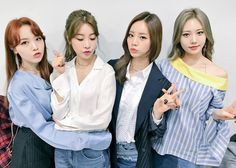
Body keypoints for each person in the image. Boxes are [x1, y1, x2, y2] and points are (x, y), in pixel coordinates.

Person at [5, 17, 113, 168]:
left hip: (56, 145)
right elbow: (42, 127)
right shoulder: (17, 86)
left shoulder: (50, 70)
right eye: (25, 42)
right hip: (32, 149)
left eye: (38, 39)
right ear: (14, 48)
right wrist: (92, 140)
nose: (35, 47)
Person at [153, 8, 233, 167]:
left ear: (207, 34)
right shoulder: (164, 66)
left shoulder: (218, 75)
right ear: (178, 37)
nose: (193, 40)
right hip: (159, 149)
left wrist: (220, 114)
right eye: (186, 34)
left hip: (190, 155)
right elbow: (150, 108)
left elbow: (211, 112)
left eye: (199, 33)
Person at [108, 11, 183, 168]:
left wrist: (157, 113)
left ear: (153, 41)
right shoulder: (112, 68)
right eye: (131, 35)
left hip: (133, 158)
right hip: (105, 153)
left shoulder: (162, 84)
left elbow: (156, 134)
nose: (134, 42)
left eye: (142, 37)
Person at [50, 10, 116, 168]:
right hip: (63, 150)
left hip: (91, 152)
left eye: (92, 38)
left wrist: (64, 124)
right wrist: (59, 76)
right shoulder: (64, 69)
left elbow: (101, 120)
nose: (87, 45)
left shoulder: (106, 72)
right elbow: (58, 113)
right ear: (69, 38)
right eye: (80, 39)